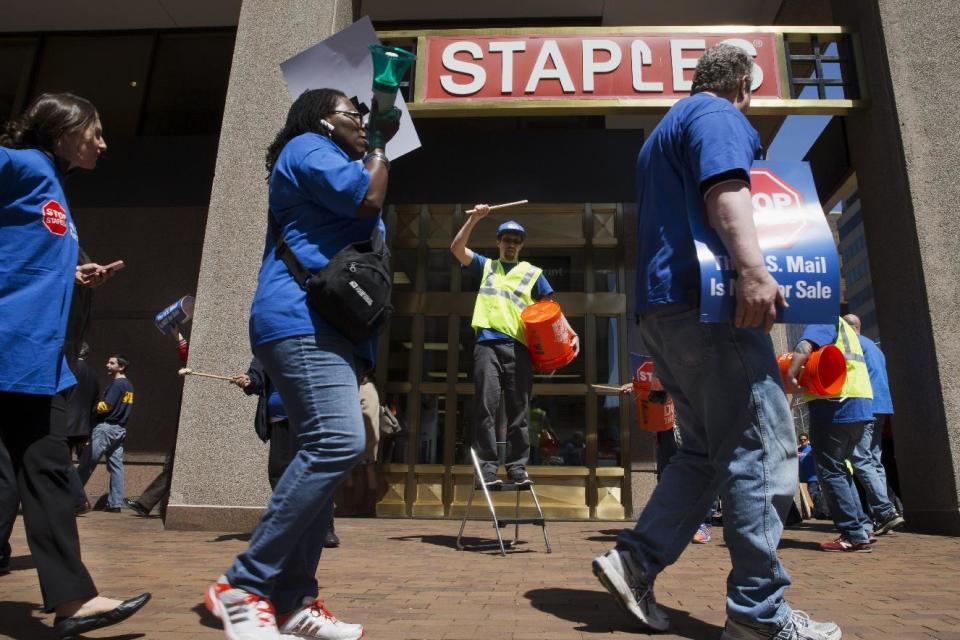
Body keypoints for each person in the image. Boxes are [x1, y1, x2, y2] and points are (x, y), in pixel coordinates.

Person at [591, 45, 841, 640]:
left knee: (704, 453)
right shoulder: (719, 116)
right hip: (709, 309)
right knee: (761, 448)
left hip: (664, 311)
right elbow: (725, 188)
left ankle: (635, 561)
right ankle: (760, 616)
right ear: (744, 87)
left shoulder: (665, 130)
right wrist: (754, 271)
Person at [204, 88, 399, 640]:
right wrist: (380, 143)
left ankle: (294, 605)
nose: (360, 122)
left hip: (330, 332)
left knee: (325, 453)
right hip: (298, 321)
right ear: (321, 120)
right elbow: (366, 200)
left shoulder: (332, 155)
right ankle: (242, 585)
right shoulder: (307, 147)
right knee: (339, 441)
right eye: (352, 115)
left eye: (364, 119)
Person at [0, 92, 149, 638]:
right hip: (11, 352)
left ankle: (71, 601)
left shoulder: (48, 180)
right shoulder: (18, 164)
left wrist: (77, 275)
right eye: (96, 131)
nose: (104, 143)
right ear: (63, 130)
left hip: (33, 358)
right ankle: (72, 600)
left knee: (40, 478)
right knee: (43, 477)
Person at [450, 205, 577, 486]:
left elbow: (551, 309)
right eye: (506, 239)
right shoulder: (486, 266)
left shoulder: (531, 273)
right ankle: (487, 469)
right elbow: (457, 248)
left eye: (516, 240)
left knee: (519, 411)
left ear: (521, 245)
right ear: (498, 242)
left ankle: (518, 469)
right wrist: (473, 219)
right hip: (487, 345)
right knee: (486, 407)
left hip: (519, 348)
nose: (511, 244)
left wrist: (570, 334)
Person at [229, 358, 340, 547]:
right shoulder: (270, 345)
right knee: (280, 474)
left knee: (316, 474)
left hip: (310, 419)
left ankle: (324, 527)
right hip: (279, 420)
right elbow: (258, 374)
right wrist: (249, 380)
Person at [789, 315, 875, 552]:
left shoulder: (823, 317)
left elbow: (804, 347)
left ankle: (853, 533)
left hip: (834, 405)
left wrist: (791, 374)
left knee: (830, 472)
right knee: (842, 470)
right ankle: (863, 527)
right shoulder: (846, 328)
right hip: (859, 404)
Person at [844, 314, 904, 535]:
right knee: (874, 460)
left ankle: (885, 511)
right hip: (882, 406)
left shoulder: (853, 344)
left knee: (860, 458)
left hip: (865, 406)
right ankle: (885, 515)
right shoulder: (874, 347)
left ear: (848, 328)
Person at [78, 354, 134, 512]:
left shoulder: (117, 384)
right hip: (120, 429)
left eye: (112, 363)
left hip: (106, 429)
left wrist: (93, 408)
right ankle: (115, 504)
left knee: (87, 463)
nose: (107, 365)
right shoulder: (129, 385)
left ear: (121, 367)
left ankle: (71, 498)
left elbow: (107, 406)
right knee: (117, 467)